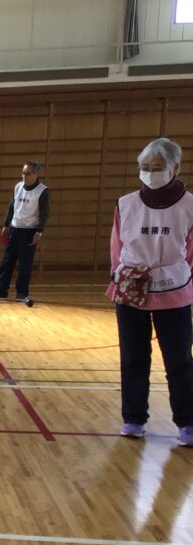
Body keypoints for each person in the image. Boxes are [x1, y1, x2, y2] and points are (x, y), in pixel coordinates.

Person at [107, 137, 193, 444]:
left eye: (157, 167)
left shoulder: (189, 205)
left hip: (172, 289)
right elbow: (117, 246)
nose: (150, 173)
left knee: (179, 360)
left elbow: (191, 251)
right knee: (133, 357)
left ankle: (187, 422)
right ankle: (133, 418)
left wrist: (178, 275)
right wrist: (119, 275)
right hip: (131, 286)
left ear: (175, 168)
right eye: (144, 167)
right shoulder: (126, 203)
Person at [0, 161, 51, 303]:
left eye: (28, 174)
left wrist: (39, 232)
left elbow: (44, 214)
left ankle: (22, 293)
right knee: (7, 261)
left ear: (36, 174)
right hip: (14, 229)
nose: (24, 176)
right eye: (23, 173)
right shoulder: (18, 187)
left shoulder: (43, 191)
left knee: (25, 264)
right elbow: (12, 206)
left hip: (29, 231)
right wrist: (6, 224)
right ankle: (0, 292)